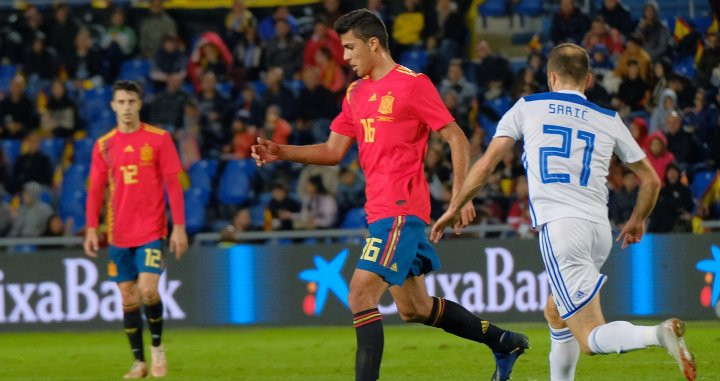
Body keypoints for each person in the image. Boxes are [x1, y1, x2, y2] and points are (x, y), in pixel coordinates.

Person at [251, 9, 528, 381]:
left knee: (360, 296)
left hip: (402, 210)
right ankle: (503, 341)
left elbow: (456, 137)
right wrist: (282, 151)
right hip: (378, 212)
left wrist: (461, 196)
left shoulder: (412, 85)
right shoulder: (355, 92)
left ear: (373, 43)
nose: (344, 56)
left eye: (350, 47)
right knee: (416, 308)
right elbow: (334, 152)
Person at [431, 43, 696, 381]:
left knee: (589, 336)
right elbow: (651, 180)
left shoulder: (528, 106)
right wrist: (637, 219)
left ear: (551, 76)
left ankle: (659, 334)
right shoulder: (608, 118)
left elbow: (486, 165)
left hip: (561, 229)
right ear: (588, 80)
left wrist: (455, 207)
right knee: (556, 313)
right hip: (600, 230)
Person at [84, 80, 188, 379]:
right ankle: (138, 362)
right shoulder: (104, 144)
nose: (127, 107)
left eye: (132, 101)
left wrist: (178, 227)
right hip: (118, 234)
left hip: (152, 229)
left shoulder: (159, 139)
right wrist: (92, 228)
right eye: (122, 102)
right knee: (128, 297)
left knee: (148, 289)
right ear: (113, 106)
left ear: (139, 104)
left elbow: (173, 185)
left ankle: (157, 348)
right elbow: (95, 190)